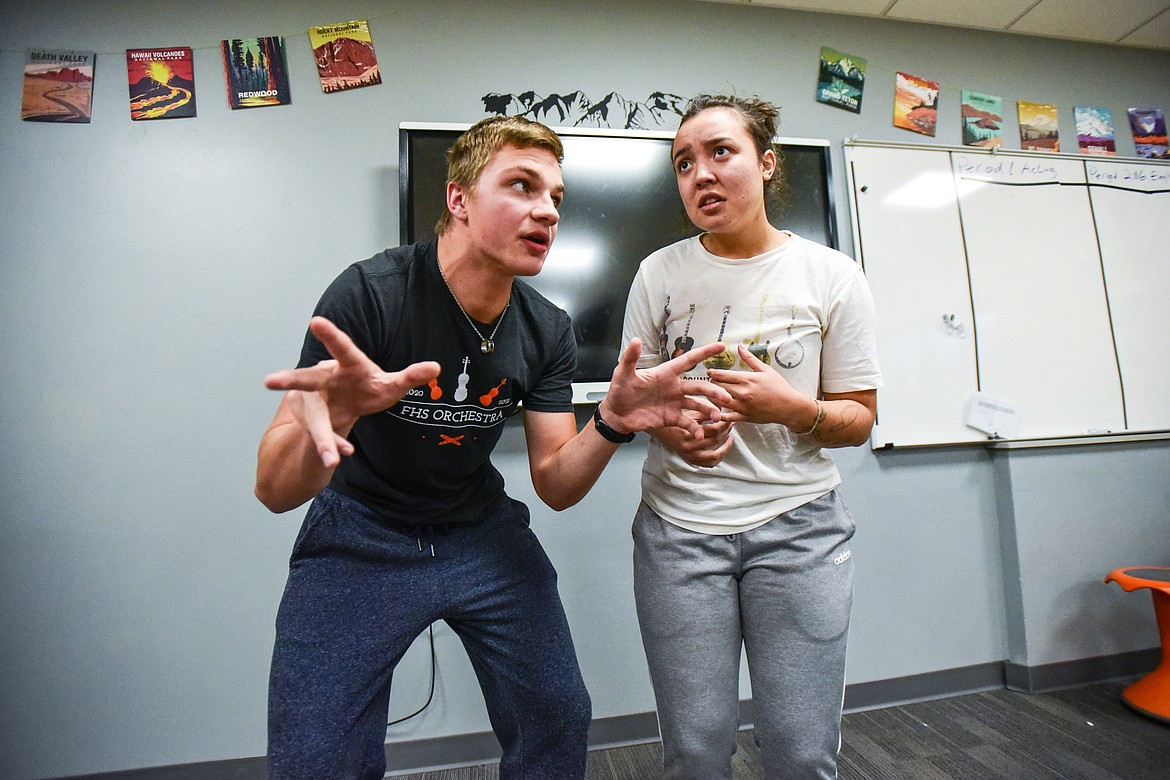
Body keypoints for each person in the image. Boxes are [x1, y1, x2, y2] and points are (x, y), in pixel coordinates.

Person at [254, 115, 732, 780]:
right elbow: (274, 490)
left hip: (481, 535)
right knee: (315, 760)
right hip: (360, 536)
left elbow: (557, 484)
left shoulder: (545, 329)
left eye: (556, 198)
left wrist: (615, 421)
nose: (546, 211)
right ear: (459, 199)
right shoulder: (371, 296)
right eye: (522, 186)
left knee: (557, 716)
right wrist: (337, 411)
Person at [620, 94, 883, 779]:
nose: (700, 174)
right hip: (678, 533)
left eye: (720, 152)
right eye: (683, 163)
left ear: (766, 165)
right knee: (697, 750)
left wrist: (791, 409)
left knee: (800, 751)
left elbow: (858, 419)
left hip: (800, 530)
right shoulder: (658, 273)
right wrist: (678, 433)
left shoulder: (832, 275)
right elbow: (642, 403)